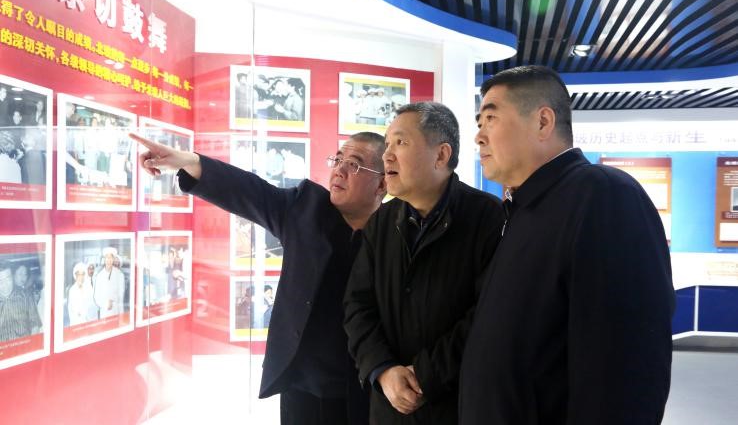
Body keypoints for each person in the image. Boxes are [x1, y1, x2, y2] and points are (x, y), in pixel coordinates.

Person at [458, 65, 675, 424]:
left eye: (491, 119)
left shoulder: (604, 196)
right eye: (479, 122)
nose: (479, 136)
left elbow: (627, 372)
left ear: (543, 122)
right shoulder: (524, 209)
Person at [130, 129, 388, 425]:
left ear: (382, 183)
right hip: (302, 383)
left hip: (367, 384)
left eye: (353, 165)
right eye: (338, 160)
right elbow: (250, 191)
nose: (339, 170)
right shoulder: (306, 209)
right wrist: (188, 161)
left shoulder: (395, 231)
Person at [343, 102, 505, 424]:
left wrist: (425, 377)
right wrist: (383, 369)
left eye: (400, 142)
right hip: (389, 406)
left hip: (457, 406)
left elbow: (490, 316)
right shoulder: (382, 222)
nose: (387, 155)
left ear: (441, 155)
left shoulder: (488, 218)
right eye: (387, 143)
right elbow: (357, 305)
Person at [0, 263, 42, 342]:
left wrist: (30, 344)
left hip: (24, 345)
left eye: (8, 279)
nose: (5, 285)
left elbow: (35, 324)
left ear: (12, 277)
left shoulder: (26, 296)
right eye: (1, 281)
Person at [93, 247, 126, 319]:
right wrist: (105, 304)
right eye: (107, 257)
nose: (108, 260)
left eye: (111, 257)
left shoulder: (119, 274)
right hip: (104, 313)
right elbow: (96, 296)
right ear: (104, 259)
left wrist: (112, 299)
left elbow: (121, 296)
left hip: (116, 311)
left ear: (113, 259)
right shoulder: (99, 276)